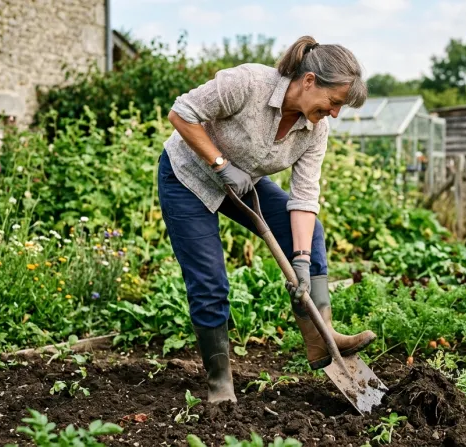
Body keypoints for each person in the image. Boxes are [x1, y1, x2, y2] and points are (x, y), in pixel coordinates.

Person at [157, 36, 376, 404]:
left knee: (309, 233)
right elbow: (181, 113)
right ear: (309, 82)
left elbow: (305, 198)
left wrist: (302, 262)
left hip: (245, 186)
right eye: (334, 102)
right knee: (210, 280)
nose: (335, 113)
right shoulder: (247, 84)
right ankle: (220, 382)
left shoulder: (315, 129)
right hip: (188, 178)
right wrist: (220, 164)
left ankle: (320, 338)